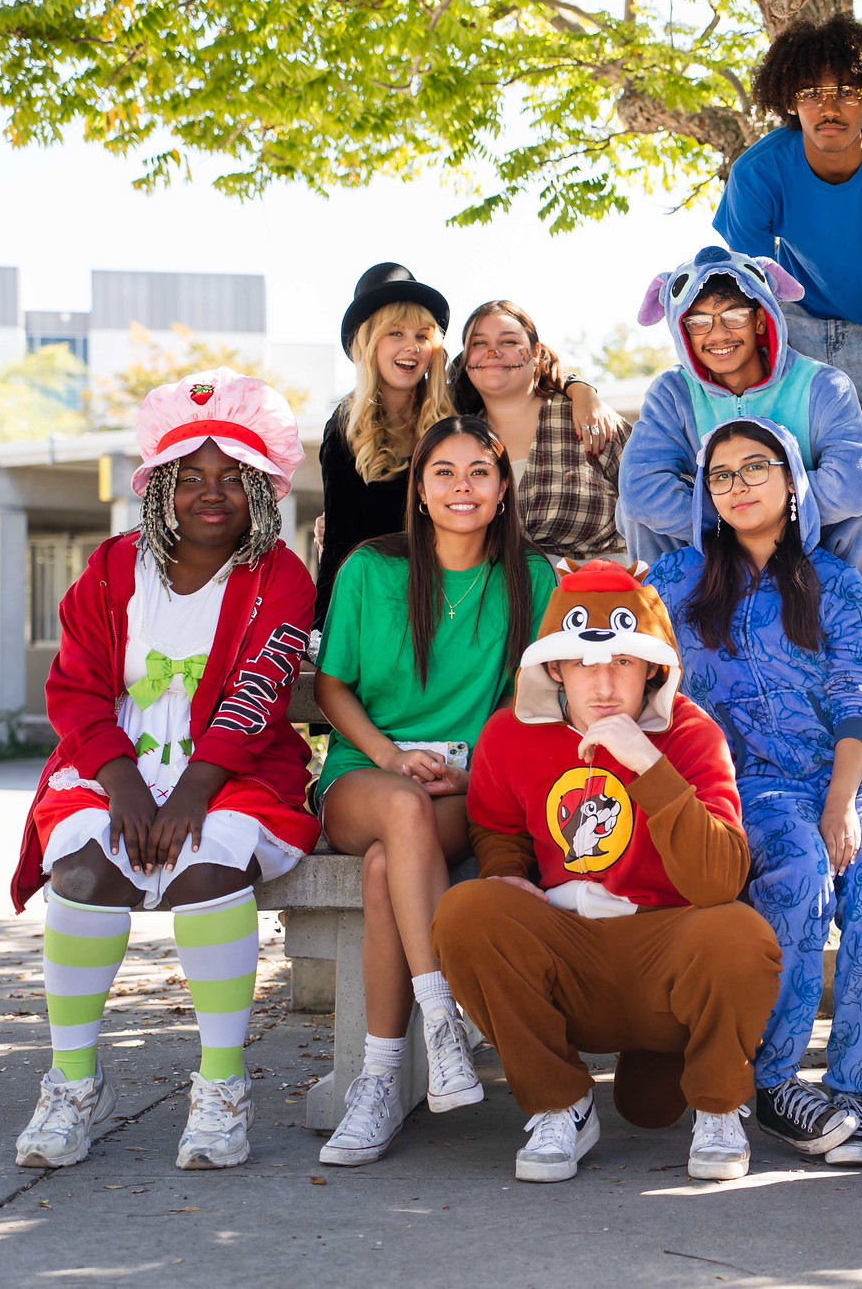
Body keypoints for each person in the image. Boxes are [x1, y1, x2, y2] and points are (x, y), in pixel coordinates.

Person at [10, 369, 316, 1172]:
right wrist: (121, 787)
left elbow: (257, 692)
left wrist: (186, 795)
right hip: (111, 766)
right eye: (189, 478)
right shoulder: (112, 567)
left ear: (260, 489)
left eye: (231, 479)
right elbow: (75, 688)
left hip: (232, 772)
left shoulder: (279, 576)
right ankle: (75, 1081)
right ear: (160, 488)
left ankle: (222, 1085)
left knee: (210, 868)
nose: (209, 495)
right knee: (78, 870)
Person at [432, 560, 788, 1183]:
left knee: (740, 933)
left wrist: (649, 764)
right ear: (555, 669)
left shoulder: (691, 734)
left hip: (665, 955)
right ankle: (560, 1105)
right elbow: (496, 826)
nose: (602, 682)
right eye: (584, 663)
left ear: (651, 666)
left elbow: (719, 882)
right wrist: (506, 871)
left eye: (622, 661)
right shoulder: (509, 735)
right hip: (568, 953)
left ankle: (717, 1104)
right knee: (468, 911)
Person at [651, 418, 862, 1166]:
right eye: (722, 475)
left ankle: (852, 1092)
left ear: (792, 484)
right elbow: (616, 640)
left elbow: (858, 688)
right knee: (799, 871)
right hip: (753, 783)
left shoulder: (831, 581)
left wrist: (841, 800)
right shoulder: (673, 581)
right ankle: (772, 1081)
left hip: (858, 773)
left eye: (755, 468)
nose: (738, 486)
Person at [312, 415, 558, 1166]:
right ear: (418, 489)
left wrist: (477, 768)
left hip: (465, 787)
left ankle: (381, 1078)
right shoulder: (370, 568)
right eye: (443, 472)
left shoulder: (530, 576)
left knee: (393, 864)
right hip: (363, 774)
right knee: (398, 808)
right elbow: (329, 685)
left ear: (504, 485)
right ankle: (442, 1019)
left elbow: (535, 701)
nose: (462, 486)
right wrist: (387, 752)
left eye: (479, 471)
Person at [717, 14, 862, 675]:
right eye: (813, 92)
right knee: (766, 459)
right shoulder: (760, 172)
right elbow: (746, 298)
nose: (830, 106)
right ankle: (770, 622)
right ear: (789, 99)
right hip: (793, 327)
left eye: (847, 91)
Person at [618, 245, 862, 681]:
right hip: (717, 553)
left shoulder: (822, 384)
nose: (717, 333)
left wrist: (767, 512)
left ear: (762, 317)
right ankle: (669, 640)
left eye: (733, 317)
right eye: (699, 321)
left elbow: (852, 483)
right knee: (631, 512)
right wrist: (734, 517)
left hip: (812, 549)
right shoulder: (672, 392)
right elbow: (642, 489)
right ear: (681, 331)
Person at [314, 263, 459, 635]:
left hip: (455, 599)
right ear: (369, 342)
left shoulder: (458, 411)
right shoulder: (345, 426)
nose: (411, 346)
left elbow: (523, 374)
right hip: (377, 605)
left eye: (422, 335)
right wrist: (324, 629)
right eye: (395, 333)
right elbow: (340, 544)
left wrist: (580, 388)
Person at [451, 297, 627, 563]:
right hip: (503, 597)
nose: (492, 351)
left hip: (605, 596)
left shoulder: (586, 417)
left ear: (535, 353)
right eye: (479, 343)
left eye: (508, 341)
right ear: (466, 359)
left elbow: (651, 502)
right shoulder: (458, 440)